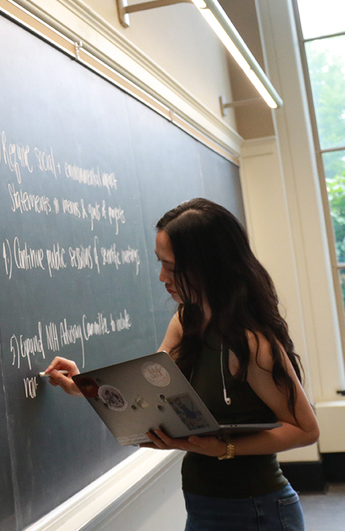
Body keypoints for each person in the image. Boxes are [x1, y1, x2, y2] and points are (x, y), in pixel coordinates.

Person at [44, 198, 319, 531]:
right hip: (202, 505)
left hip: (255, 511)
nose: (162, 277)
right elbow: (147, 393)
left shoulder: (253, 344)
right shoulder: (186, 320)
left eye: (172, 267)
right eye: (160, 263)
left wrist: (224, 449)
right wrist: (83, 385)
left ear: (209, 265)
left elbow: (306, 430)